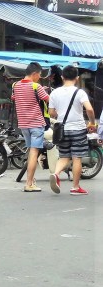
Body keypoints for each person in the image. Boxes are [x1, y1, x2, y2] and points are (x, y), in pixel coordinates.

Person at [48, 66, 95, 195]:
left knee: (64, 156)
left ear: (62, 77)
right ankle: (75, 187)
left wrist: (60, 114)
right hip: (78, 129)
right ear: (77, 78)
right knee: (76, 158)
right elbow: (89, 109)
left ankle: (56, 174)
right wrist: (92, 123)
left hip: (62, 129)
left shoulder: (54, 93)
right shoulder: (80, 92)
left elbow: (51, 112)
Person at [12, 62, 49, 192]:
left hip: (23, 124)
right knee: (34, 152)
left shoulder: (15, 85)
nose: (40, 77)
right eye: (39, 74)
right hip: (36, 124)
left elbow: (14, 98)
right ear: (34, 74)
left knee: (31, 152)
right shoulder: (36, 86)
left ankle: (31, 180)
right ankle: (29, 184)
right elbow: (48, 99)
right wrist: (44, 91)